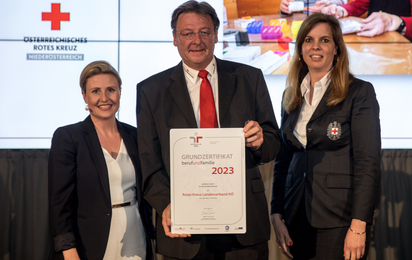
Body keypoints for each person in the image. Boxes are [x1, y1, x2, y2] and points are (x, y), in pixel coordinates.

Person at [136, 1, 281, 259]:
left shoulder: (250, 78)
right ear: (174, 38)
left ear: (216, 34)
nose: (197, 40)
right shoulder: (151, 91)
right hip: (184, 232)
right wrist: (167, 205)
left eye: (204, 32)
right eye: (187, 33)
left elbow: (272, 143)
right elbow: (149, 162)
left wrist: (260, 141)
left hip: (244, 227)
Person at [270, 13, 381, 260]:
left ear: (337, 49)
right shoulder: (290, 94)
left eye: (325, 40)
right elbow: (282, 161)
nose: (316, 46)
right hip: (296, 213)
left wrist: (359, 224)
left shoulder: (359, 92)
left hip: (341, 218)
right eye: (308, 40)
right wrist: (276, 213)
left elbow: (368, 164)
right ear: (300, 50)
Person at [48, 61, 155, 260]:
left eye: (111, 90)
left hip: (136, 235)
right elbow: (59, 203)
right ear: (84, 96)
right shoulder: (69, 137)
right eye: (96, 91)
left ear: (120, 92)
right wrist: (68, 249)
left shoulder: (135, 136)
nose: (104, 98)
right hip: (89, 243)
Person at [320, 0, 412, 40]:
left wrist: (395, 22)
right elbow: (360, 4)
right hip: (373, 43)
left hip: (403, 48)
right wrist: (340, 10)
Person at [280, 0, 347, 16]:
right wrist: (286, 8)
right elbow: (288, 4)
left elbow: (343, 2)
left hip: (328, 18)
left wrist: (329, 3)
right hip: (302, 20)